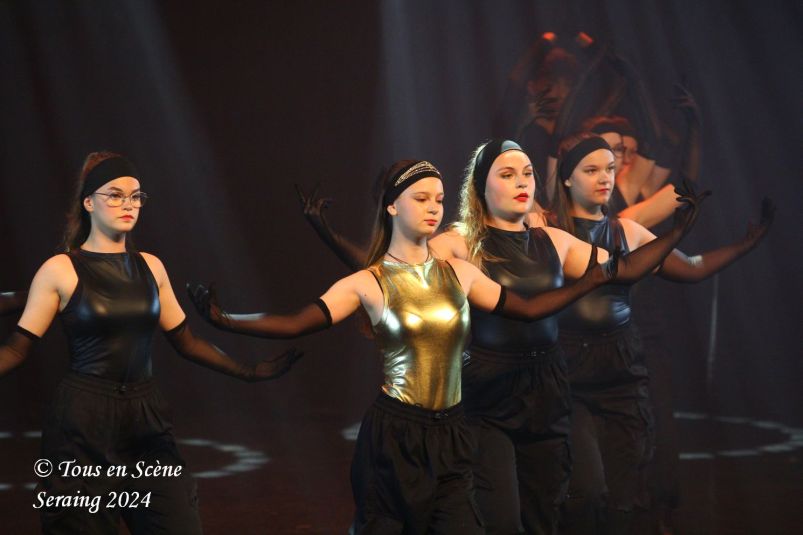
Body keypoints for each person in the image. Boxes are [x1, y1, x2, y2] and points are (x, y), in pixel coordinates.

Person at [188, 158, 628, 534]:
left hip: (454, 432)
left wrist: (590, 280)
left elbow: (529, 310)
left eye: (439, 199)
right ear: (392, 205)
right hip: (396, 438)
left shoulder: (459, 272)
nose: (434, 207)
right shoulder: (369, 281)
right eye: (421, 198)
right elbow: (297, 322)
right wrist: (225, 320)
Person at [293, 140, 702, 533]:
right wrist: (329, 234)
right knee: (502, 520)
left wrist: (676, 234)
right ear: (480, 187)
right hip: (489, 391)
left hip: (547, 384)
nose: (522, 181)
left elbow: (622, 270)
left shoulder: (552, 239)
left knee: (554, 509)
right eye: (507, 174)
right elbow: (391, 273)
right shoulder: (459, 243)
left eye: (527, 173)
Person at [0, 151, 302, 534]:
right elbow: (16, 349)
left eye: (135, 196)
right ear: (88, 202)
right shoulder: (60, 269)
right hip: (83, 425)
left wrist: (249, 371)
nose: (128, 204)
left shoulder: (151, 266)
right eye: (115, 195)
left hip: (145, 420)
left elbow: (187, 342)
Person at [548, 133, 773, 534]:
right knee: (587, 490)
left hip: (621, 370)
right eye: (592, 170)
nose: (605, 178)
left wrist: (745, 244)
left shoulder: (627, 230)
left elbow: (691, 267)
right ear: (567, 178)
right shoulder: (547, 231)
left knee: (624, 494)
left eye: (610, 169)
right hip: (569, 373)